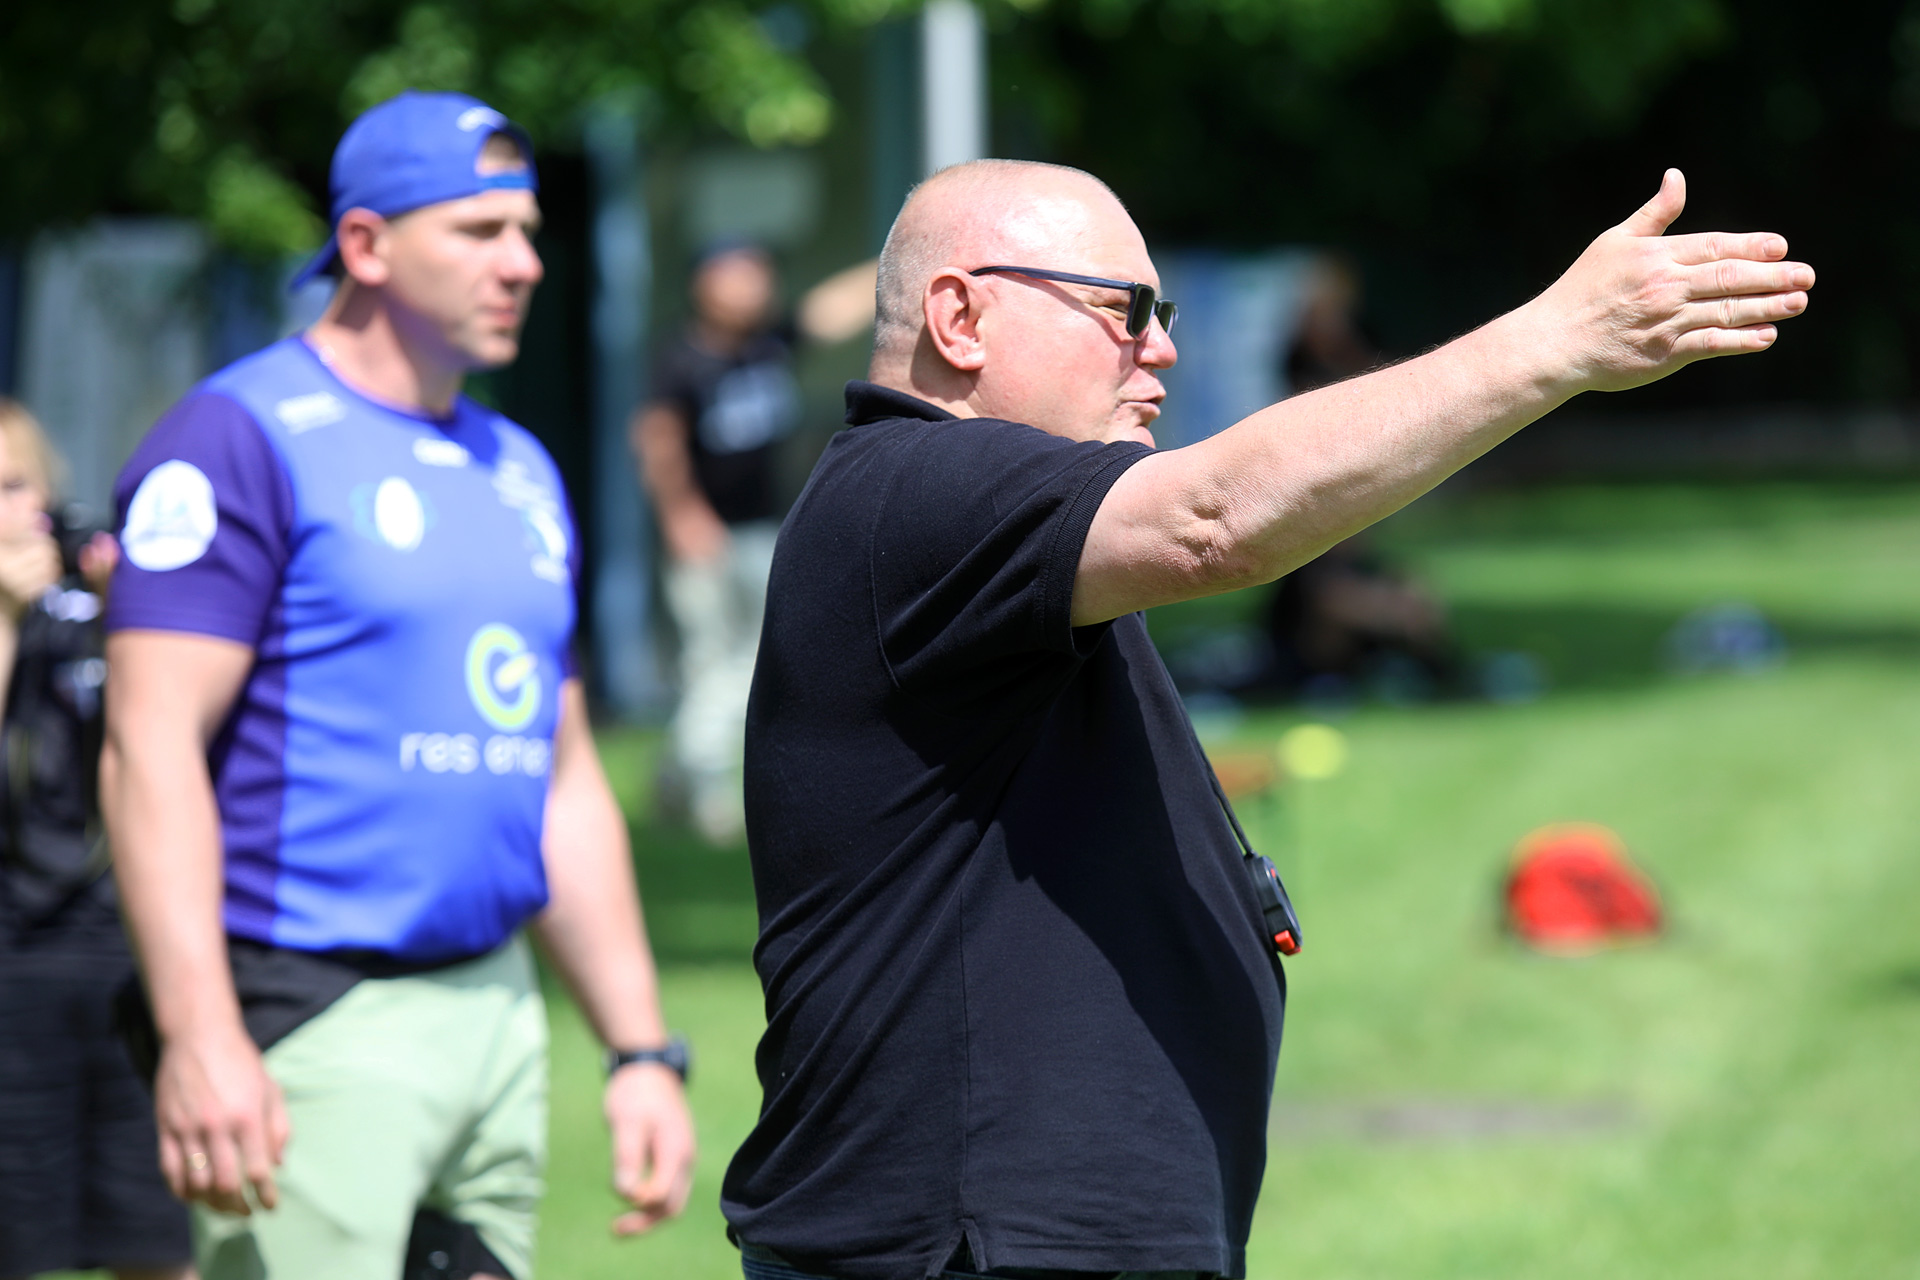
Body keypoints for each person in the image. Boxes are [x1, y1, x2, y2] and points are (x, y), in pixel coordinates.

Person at [722, 159, 1812, 1280]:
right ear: (962, 318)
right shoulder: (914, 488)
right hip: (956, 1248)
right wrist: (1557, 340)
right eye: (1124, 310)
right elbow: (1215, 519)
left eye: (1166, 313)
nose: (1160, 349)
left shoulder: (972, 528)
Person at [99, 92, 695, 1280]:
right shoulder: (236, 437)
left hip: (496, 1010)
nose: (522, 263)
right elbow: (146, 746)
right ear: (366, 244)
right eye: (479, 231)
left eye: (526, 232)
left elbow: (563, 776)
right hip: (313, 1013)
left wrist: (638, 1049)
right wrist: (200, 1032)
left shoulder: (521, 467)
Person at [0, 400, 191, 1280]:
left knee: (157, 1240)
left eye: (17, 487)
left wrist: (123, 614)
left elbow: (172, 739)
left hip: (124, 952)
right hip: (13, 964)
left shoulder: (98, 610)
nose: (10, 515)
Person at [631, 243, 875, 844]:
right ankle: (701, 784)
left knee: (748, 656)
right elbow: (657, 440)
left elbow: (831, 309)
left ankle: (680, 774)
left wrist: (907, 256)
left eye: (758, 275)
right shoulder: (681, 357)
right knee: (715, 659)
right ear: (702, 284)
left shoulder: (767, 344)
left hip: (763, 528)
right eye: (735, 275)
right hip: (706, 533)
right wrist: (682, 516)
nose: (751, 286)